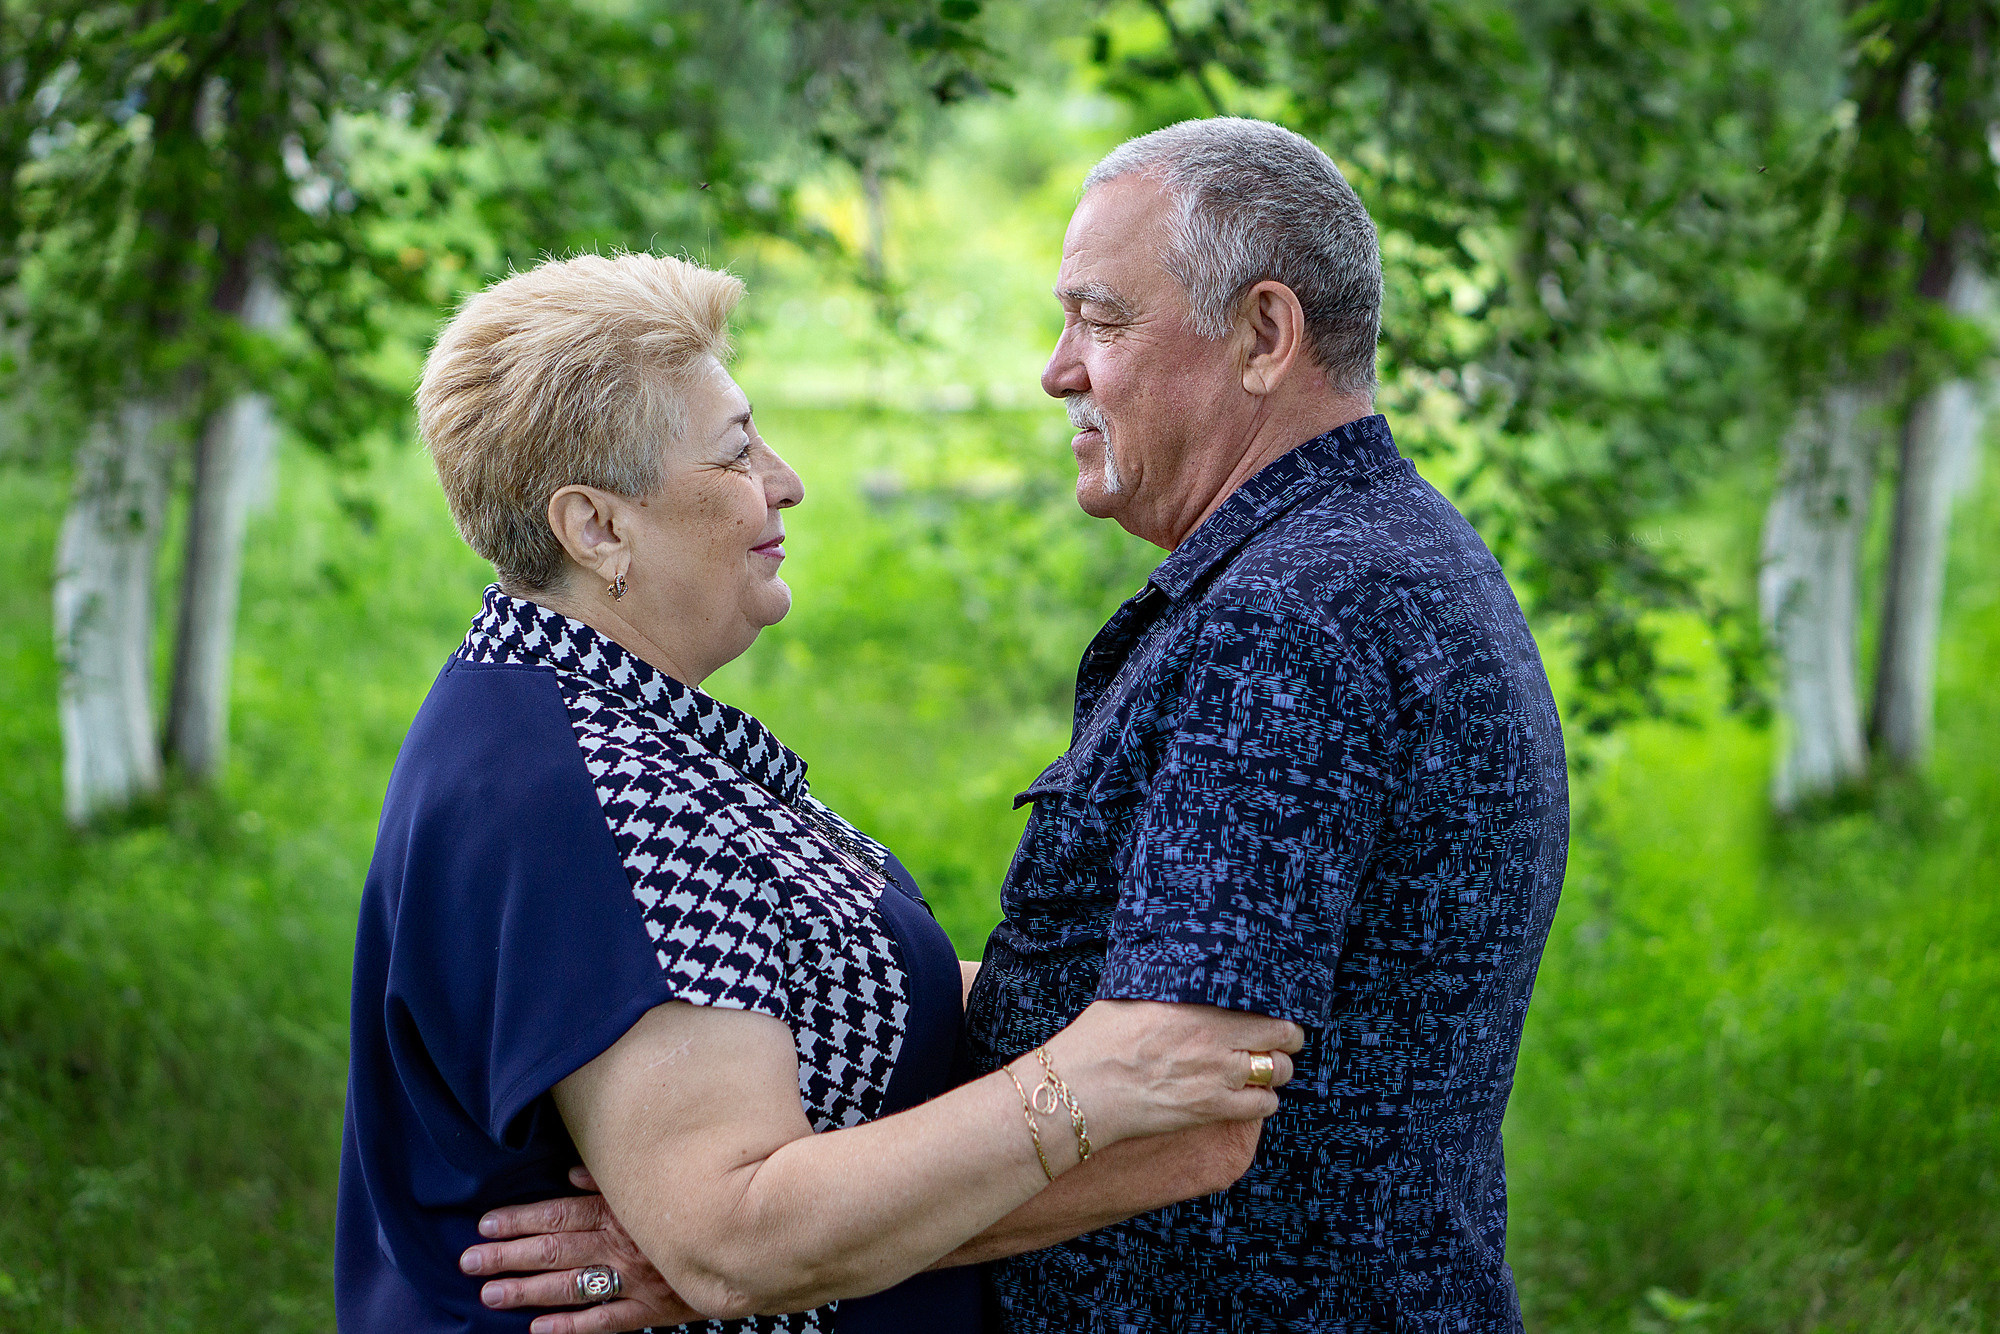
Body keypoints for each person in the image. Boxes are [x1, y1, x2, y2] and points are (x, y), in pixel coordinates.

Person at [483, 116, 1567, 1333]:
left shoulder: (1291, 623)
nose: (1058, 368)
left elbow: (1185, 1115)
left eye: (1102, 321)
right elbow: (1152, 997)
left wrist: (764, 1253)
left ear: (1263, 334)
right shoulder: (1362, 556)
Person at [334, 250, 1305, 1334]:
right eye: (736, 451)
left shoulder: (603, 719)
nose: (785, 480)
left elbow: (799, 1008)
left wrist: (1159, 1001)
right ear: (596, 526)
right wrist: (1090, 1081)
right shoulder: (583, 791)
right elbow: (733, 1236)